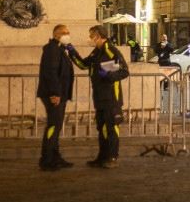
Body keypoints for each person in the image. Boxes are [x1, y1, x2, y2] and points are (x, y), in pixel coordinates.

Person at [69, 24, 129, 169]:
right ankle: (102, 157)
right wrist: (71, 51)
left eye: (91, 36)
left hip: (111, 97)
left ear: (98, 36)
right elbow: (83, 65)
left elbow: (124, 71)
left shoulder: (111, 50)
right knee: (101, 128)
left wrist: (109, 75)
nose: (89, 39)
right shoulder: (97, 52)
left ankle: (112, 157)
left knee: (112, 128)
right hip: (99, 96)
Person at [36, 24, 76, 172]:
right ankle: (47, 159)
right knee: (53, 126)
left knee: (56, 126)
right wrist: (56, 93)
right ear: (56, 35)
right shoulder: (52, 49)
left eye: (68, 32)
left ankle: (54, 156)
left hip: (60, 94)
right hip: (54, 95)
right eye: (64, 32)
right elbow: (51, 72)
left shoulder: (59, 48)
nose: (67, 34)